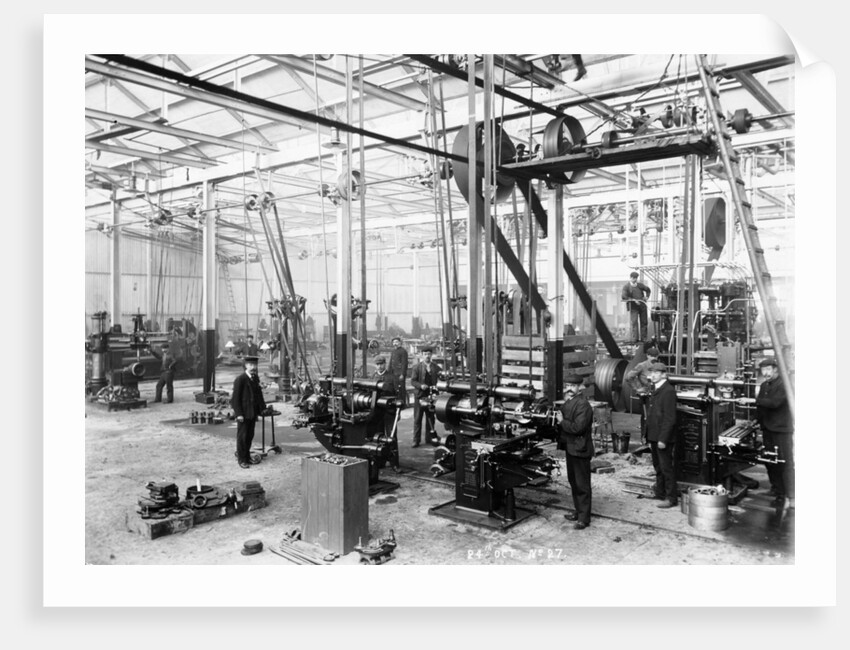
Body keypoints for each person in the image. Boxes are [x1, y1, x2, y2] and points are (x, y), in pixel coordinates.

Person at [555, 374, 595, 529]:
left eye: (572, 386)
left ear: (580, 387)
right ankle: (579, 512)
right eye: (567, 386)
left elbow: (578, 428)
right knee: (574, 482)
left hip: (580, 448)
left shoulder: (583, 405)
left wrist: (561, 421)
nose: (569, 389)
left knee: (582, 484)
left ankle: (584, 519)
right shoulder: (570, 402)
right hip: (571, 448)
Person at [755, 357, 794, 509]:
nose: (766, 373)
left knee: (784, 462)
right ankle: (776, 489)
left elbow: (774, 403)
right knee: (770, 461)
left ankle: (790, 495)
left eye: (768, 370)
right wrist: (755, 421)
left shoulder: (784, 385)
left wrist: (753, 400)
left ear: (776, 370)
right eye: (763, 370)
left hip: (781, 430)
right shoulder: (764, 385)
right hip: (767, 429)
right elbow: (762, 407)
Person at [646, 362, 678, 508]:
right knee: (658, 466)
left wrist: (663, 439)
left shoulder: (668, 391)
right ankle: (660, 493)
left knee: (666, 468)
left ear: (664, 374)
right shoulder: (657, 389)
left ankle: (671, 498)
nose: (652, 375)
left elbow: (670, 418)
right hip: (654, 436)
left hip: (662, 438)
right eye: (651, 372)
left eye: (656, 373)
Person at [230, 356, 267, 469]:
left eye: (255, 365)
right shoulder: (240, 379)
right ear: (245, 365)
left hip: (252, 413)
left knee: (249, 436)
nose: (253, 367)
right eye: (250, 365)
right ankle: (242, 460)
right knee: (242, 437)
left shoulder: (255, 378)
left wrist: (262, 408)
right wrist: (239, 414)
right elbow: (235, 399)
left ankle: (247, 457)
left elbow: (258, 395)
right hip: (243, 414)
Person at [625, 345, 660, 453]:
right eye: (651, 356)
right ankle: (645, 441)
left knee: (656, 418)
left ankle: (654, 440)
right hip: (646, 396)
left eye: (656, 356)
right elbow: (629, 377)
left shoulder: (659, 366)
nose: (653, 358)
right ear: (647, 356)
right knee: (646, 418)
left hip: (657, 395)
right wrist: (638, 388)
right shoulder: (642, 366)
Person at [372, 356, 401, 473]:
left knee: (392, 438)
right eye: (377, 364)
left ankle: (395, 464)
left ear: (385, 364)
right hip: (378, 412)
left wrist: (398, 412)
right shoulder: (373, 377)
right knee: (378, 437)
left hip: (390, 412)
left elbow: (399, 396)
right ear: (375, 365)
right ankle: (380, 462)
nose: (380, 366)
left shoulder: (392, 377)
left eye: (381, 364)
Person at [409, 346, 440, 447]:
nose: (427, 356)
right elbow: (413, 381)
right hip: (419, 397)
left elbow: (441, 379)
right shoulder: (416, 367)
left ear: (431, 355)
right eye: (425, 354)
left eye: (429, 354)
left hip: (431, 397)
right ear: (422, 355)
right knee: (417, 419)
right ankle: (416, 440)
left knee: (430, 419)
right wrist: (420, 385)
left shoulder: (436, 367)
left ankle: (429, 438)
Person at [621, 271, 651, 342]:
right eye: (634, 278)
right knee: (634, 322)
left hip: (642, 305)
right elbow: (624, 296)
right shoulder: (626, 287)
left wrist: (647, 297)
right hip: (633, 307)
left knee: (644, 322)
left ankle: (644, 338)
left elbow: (648, 290)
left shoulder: (640, 285)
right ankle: (635, 338)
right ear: (630, 278)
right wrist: (634, 300)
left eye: (636, 278)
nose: (635, 280)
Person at [389, 336, 409, 408]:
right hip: (394, 373)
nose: (395, 344)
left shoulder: (403, 351)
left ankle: (403, 404)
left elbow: (404, 363)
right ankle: (397, 403)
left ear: (400, 343)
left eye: (396, 342)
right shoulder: (393, 351)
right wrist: (389, 372)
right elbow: (391, 362)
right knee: (395, 388)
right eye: (394, 342)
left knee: (401, 389)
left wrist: (402, 374)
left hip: (400, 374)